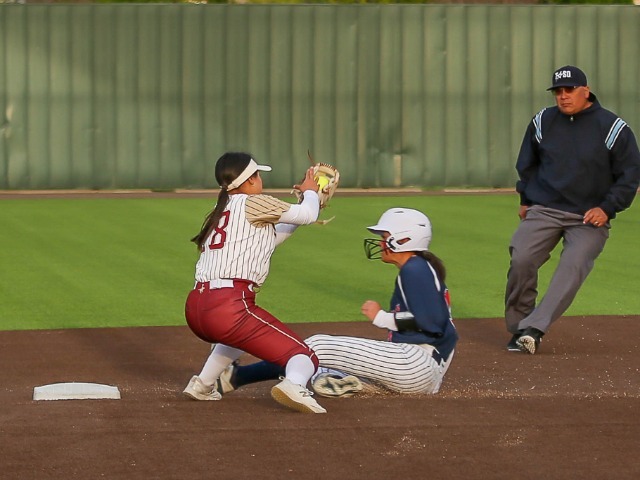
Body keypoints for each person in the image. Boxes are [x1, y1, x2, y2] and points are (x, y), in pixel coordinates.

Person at [211, 207, 458, 398]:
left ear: (404, 239)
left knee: (315, 346)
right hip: (420, 372)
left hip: (414, 363)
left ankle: (238, 376)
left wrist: (381, 317)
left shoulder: (415, 269)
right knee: (318, 370)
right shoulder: (423, 269)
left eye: (385, 236)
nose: (380, 242)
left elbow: (431, 323)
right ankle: (356, 385)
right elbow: (446, 331)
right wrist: (434, 378)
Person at [505, 65, 640, 354]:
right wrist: (525, 200)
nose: (563, 96)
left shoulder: (612, 127)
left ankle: (534, 329)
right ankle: (518, 327)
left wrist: (607, 208)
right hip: (545, 208)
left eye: (569, 90)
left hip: (588, 216)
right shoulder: (543, 121)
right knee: (521, 258)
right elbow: (527, 164)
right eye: (558, 91)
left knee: (573, 265)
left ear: (585, 90)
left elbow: (629, 175)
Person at [182, 151, 327, 414]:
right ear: (248, 181)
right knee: (305, 357)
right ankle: (295, 385)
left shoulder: (220, 211)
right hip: (228, 306)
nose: (260, 180)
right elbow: (307, 214)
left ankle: (203, 384)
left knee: (238, 337)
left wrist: (305, 202)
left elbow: (268, 242)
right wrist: (311, 193)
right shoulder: (253, 202)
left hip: (196, 308)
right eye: (257, 175)